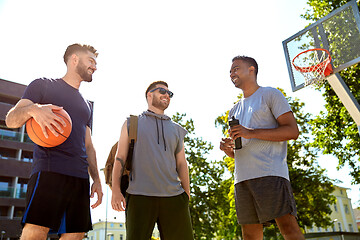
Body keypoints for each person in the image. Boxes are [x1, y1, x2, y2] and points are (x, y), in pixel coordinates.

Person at [5, 43, 103, 240]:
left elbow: (89, 145)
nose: (95, 66)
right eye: (91, 61)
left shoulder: (86, 105)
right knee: (37, 230)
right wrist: (34, 109)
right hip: (50, 168)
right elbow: (11, 119)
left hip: (79, 175)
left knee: (76, 233)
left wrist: (97, 180)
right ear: (74, 59)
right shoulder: (43, 85)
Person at [220, 56, 305, 240]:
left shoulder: (270, 94)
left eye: (235, 68)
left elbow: (292, 131)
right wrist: (230, 152)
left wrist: (251, 132)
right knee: (249, 235)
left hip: (270, 173)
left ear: (251, 69)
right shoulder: (234, 110)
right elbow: (244, 148)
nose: (231, 73)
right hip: (242, 179)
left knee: (288, 229)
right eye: (230, 71)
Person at [111, 81, 194, 240]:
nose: (166, 95)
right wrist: (115, 190)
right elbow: (120, 158)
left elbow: (182, 163)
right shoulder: (131, 123)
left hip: (174, 198)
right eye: (162, 91)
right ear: (149, 95)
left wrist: (186, 195)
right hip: (139, 196)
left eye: (169, 93)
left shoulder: (176, 129)